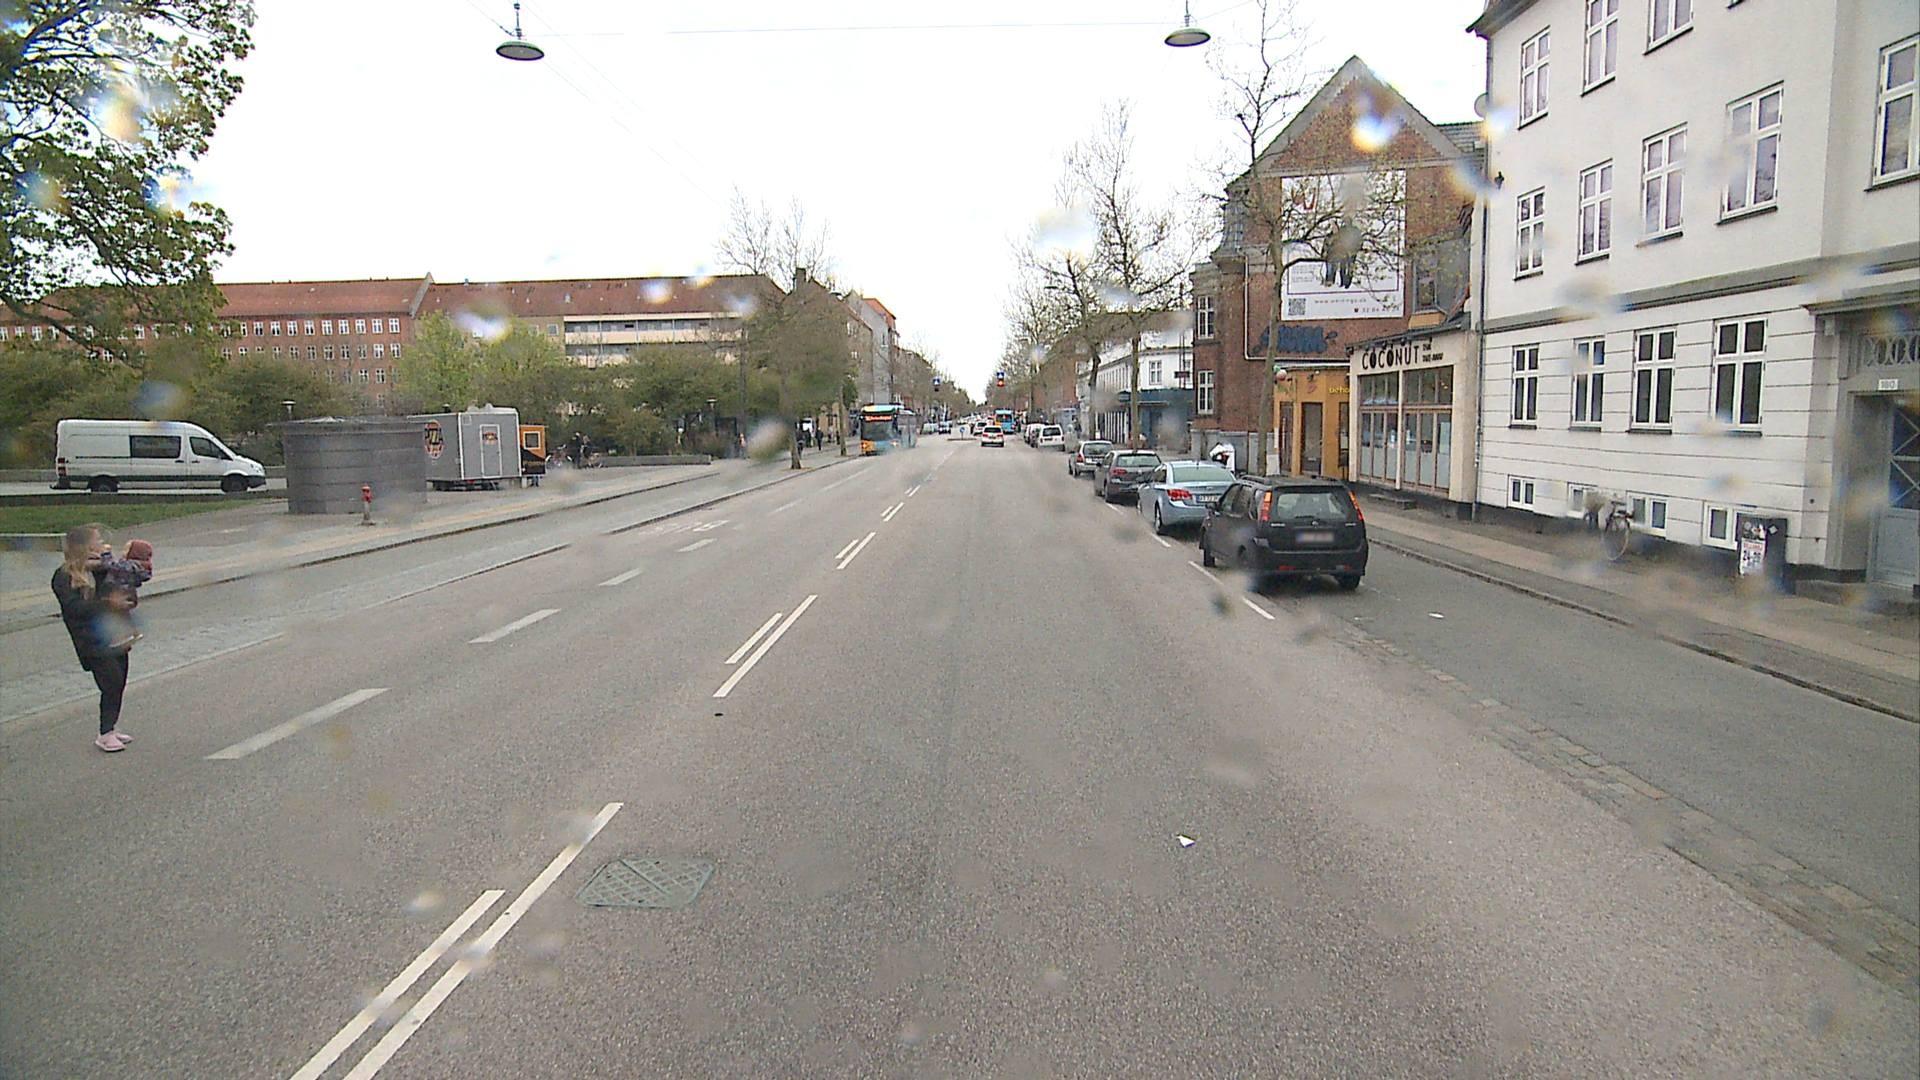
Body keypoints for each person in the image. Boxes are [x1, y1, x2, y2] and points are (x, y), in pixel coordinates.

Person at [52, 525, 139, 752]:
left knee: (119, 682)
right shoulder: (64, 576)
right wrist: (108, 604)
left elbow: (123, 592)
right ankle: (104, 734)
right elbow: (75, 609)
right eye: (97, 540)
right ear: (84, 547)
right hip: (91, 640)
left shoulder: (104, 568)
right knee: (111, 682)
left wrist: (127, 575)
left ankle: (111, 728)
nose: (102, 544)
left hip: (114, 634)